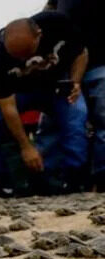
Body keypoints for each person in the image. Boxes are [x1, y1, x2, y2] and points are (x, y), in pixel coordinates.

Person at [0, 12, 88, 196]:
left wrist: (75, 82)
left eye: (26, 53)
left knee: (76, 115)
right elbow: (7, 106)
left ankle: (74, 181)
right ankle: (3, 186)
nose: (21, 60)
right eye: (16, 56)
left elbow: (81, 52)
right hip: (17, 94)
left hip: (55, 86)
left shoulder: (57, 23)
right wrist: (26, 146)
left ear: (39, 35)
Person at [56, 0, 105, 189]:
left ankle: (101, 179)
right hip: (66, 69)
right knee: (62, 124)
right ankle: (62, 180)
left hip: (100, 62)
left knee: (102, 122)